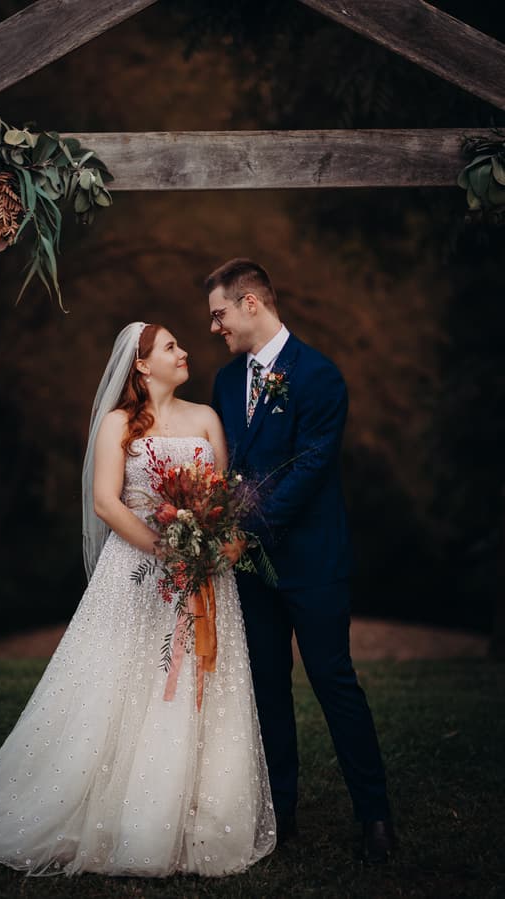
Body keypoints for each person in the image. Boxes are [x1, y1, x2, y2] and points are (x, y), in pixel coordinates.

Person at [0, 322, 276, 878]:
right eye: (170, 347)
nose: (184, 351)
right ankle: (119, 812)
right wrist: (167, 548)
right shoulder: (118, 423)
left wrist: (219, 541)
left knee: (200, 686)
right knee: (120, 681)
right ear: (141, 365)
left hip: (205, 576)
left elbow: (225, 495)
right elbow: (107, 504)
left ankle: (200, 815)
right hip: (138, 571)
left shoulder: (206, 417)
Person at [207, 259, 396, 863]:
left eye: (220, 314)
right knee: (266, 688)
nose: (215, 327)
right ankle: (278, 814)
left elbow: (313, 468)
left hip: (313, 562)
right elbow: (223, 466)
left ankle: (374, 815)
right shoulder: (222, 382)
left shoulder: (319, 376)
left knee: (334, 683)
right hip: (249, 572)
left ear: (252, 304)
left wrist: (246, 527)